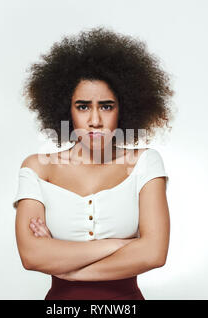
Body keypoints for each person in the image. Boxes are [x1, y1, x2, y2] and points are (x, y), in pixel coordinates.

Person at [12, 26, 174, 300]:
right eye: (83, 106)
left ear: (124, 109)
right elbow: (32, 256)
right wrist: (121, 245)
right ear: (67, 109)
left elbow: (154, 253)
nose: (95, 120)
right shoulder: (38, 169)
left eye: (107, 106)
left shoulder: (145, 163)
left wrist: (67, 266)